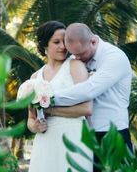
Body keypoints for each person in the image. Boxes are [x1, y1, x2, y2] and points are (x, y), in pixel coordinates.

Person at [48, 23, 133, 171]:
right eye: (74, 54)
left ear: (93, 41)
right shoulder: (78, 58)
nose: (78, 58)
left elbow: (88, 90)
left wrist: (48, 98)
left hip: (113, 135)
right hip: (87, 137)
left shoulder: (114, 57)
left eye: (81, 54)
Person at [26, 21, 93, 172]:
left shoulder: (75, 66)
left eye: (65, 41)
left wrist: (50, 111)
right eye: (56, 42)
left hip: (74, 137)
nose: (63, 46)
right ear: (44, 45)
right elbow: (30, 118)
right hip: (45, 140)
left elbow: (86, 108)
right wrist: (34, 126)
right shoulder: (35, 78)